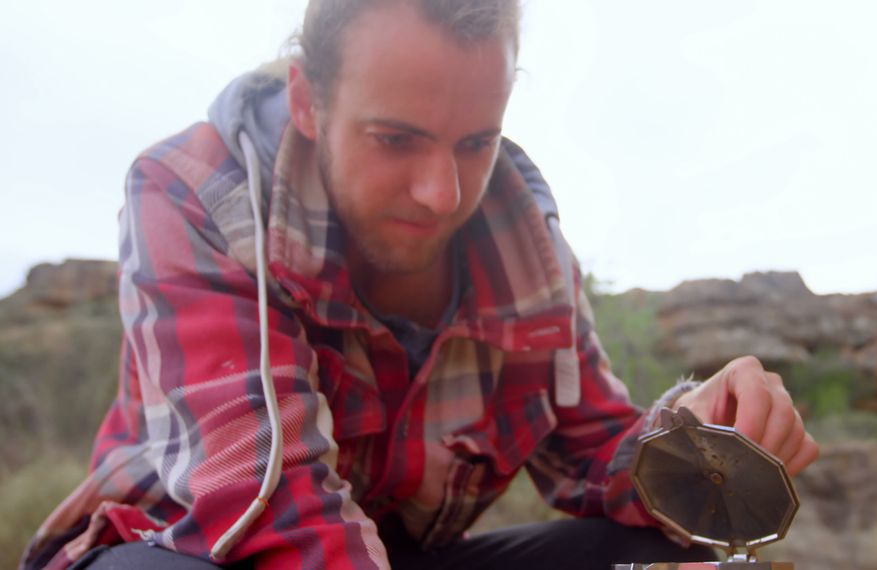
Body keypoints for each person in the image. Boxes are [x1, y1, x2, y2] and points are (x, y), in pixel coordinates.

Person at [21, 1, 818, 568]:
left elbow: (595, 461)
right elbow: (272, 511)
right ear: (307, 101)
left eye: (475, 142)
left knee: (640, 555)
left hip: (394, 557)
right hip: (181, 548)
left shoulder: (525, 248)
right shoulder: (194, 195)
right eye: (395, 139)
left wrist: (696, 431)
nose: (442, 192)